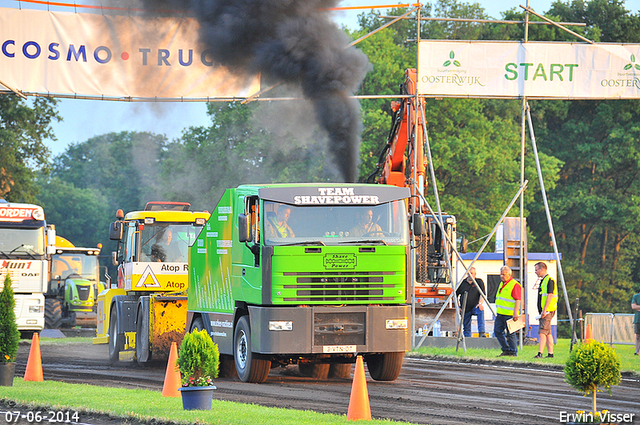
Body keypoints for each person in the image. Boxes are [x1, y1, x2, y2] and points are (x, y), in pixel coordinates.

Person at [494, 265, 522, 357]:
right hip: (500, 313)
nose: (502, 276)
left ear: (509, 274)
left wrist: (515, 313)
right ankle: (506, 350)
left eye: (504, 274)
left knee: (511, 333)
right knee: (497, 331)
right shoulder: (502, 283)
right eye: (501, 274)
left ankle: (513, 352)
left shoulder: (514, 284)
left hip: (509, 314)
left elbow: (518, 299)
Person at [533, 262, 557, 359]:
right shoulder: (544, 280)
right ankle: (550, 353)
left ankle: (540, 353)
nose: (535, 272)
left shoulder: (549, 280)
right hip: (546, 311)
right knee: (548, 333)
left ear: (542, 269)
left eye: (536, 269)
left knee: (542, 332)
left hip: (547, 311)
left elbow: (550, 295)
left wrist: (544, 310)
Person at [455, 267, 486, 338]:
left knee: (480, 310)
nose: (470, 275)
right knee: (466, 328)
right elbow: (455, 295)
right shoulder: (462, 283)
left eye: (471, 273)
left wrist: (480, 303)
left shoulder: (479, 282)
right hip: (465, 308)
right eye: (468, 273)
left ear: (475, 274)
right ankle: (468, 341)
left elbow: (483, 294)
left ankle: (481, 332)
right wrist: (458, 306)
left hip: (475, 306)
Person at [632, 286, 640, 356]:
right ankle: (637, 351)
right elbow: (633, 306)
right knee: (638, 336)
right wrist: (636, 307)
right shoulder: (636, 296)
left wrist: (638, 307)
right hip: (638, 319)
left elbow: (636, 307)